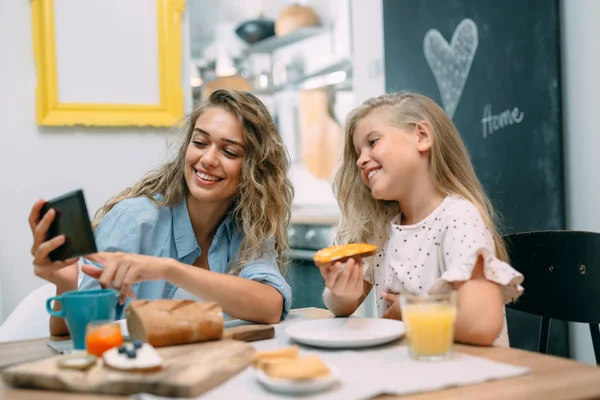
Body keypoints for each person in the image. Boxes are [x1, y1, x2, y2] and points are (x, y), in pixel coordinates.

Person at [29, 89, 294, 337]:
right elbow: (79, 332)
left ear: (254, 169)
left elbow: (270, 307)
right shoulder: (134, 220)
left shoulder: (247, 227)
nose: (208, 159)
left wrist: (169, 269)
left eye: (229, 151)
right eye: (200, 142)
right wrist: (66, 286)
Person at [320, 92, 524, 346]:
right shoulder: (383, 230)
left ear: (422, 136)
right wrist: (340, 292)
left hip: (468, 377)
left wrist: (410, 312)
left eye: (372, 142)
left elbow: (482, 324)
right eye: (358, 152)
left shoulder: (458, 218)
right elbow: (340, 307)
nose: (361, 159)